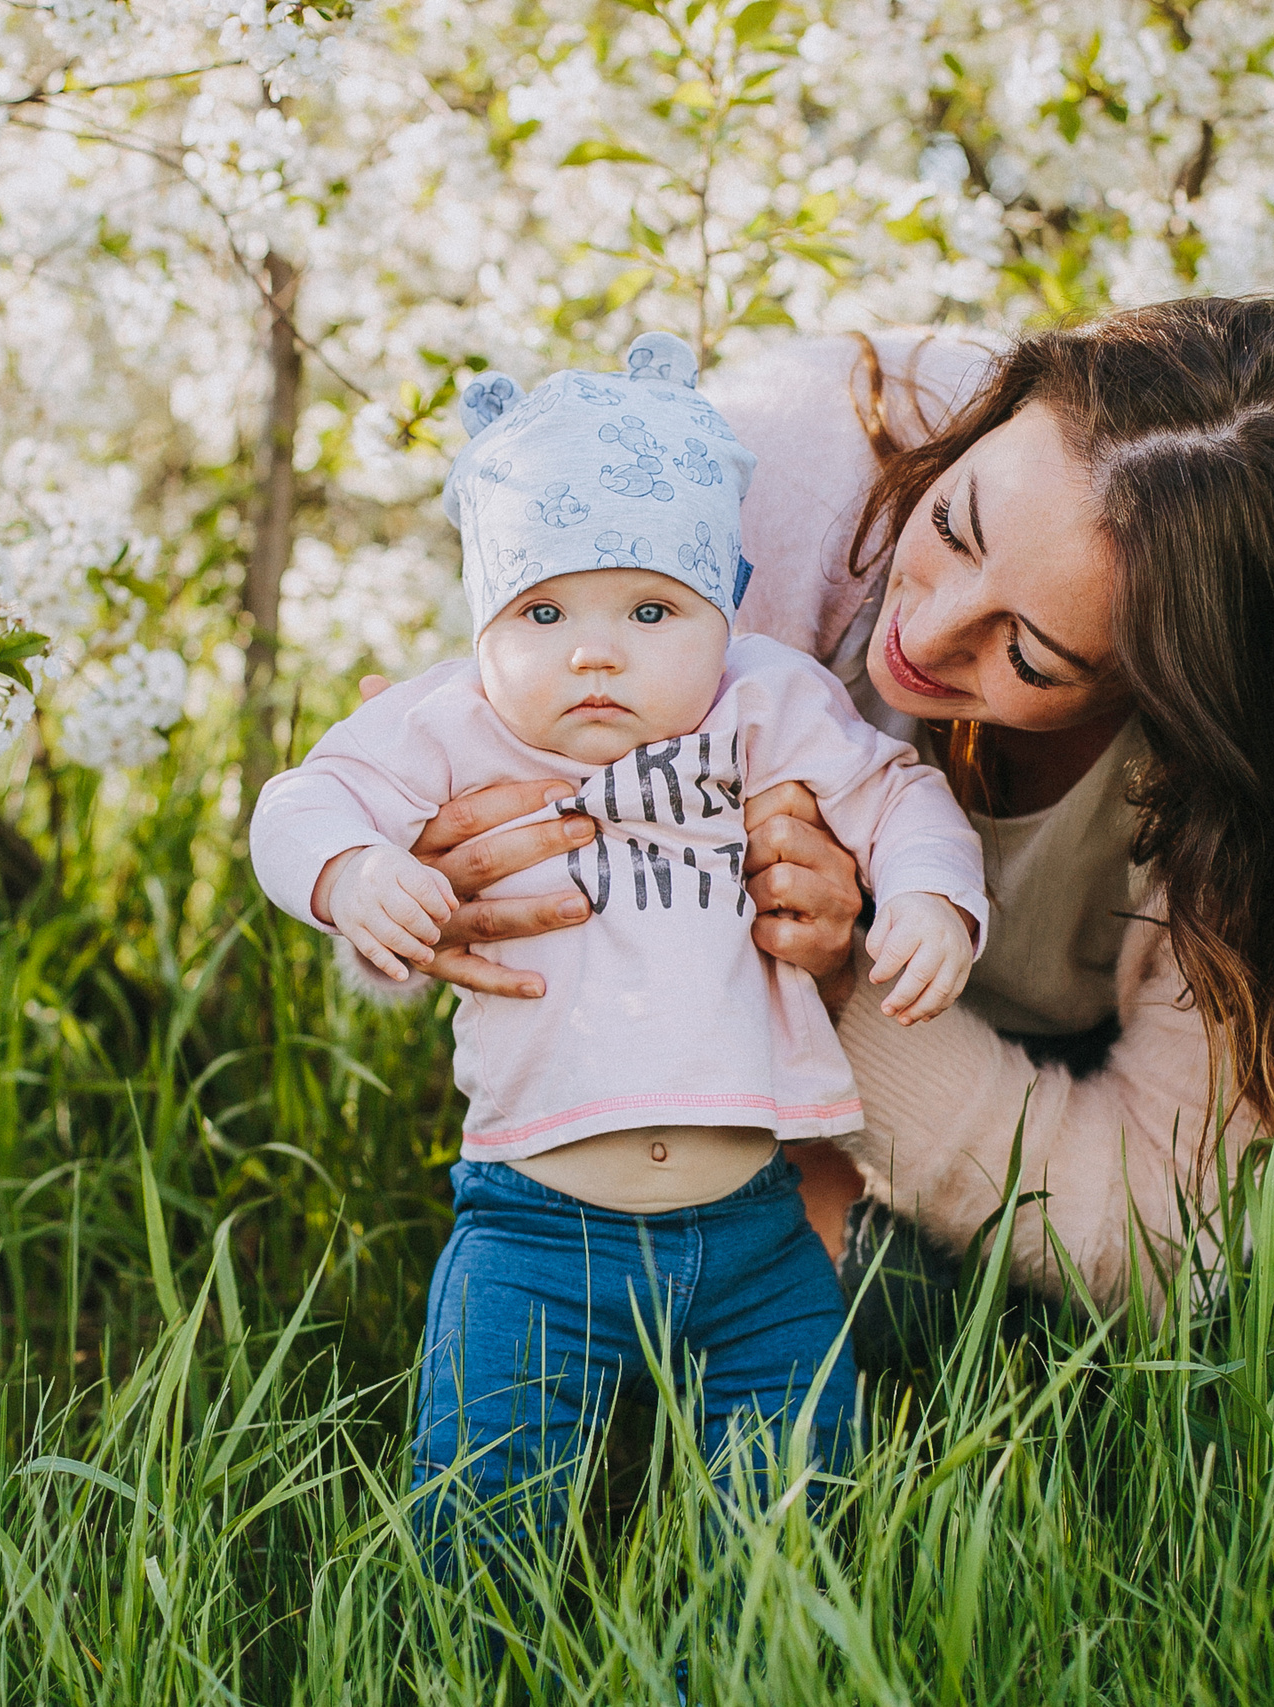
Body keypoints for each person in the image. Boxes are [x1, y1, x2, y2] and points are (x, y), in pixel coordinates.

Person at [356, 296, 1274, 1332]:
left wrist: (845, 982)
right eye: (955, 525)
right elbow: (454, 813)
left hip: (974, 1041)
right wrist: (435, 881)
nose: (927, 636)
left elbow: (1156, 1230)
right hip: (743, 1066)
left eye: (1029, 655)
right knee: (779, 1290)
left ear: (1183, 703)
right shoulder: (776, 479)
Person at [249, 331, 987, 1521]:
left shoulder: (762, 703)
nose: (594, 650)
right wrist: (349, 870)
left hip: (756, 1229)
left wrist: (926, 896)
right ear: (484, 626)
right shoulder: (454, 723)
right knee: (485, 1505)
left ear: (723, 613)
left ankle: (759, 1655)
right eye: (540, 612)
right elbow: (299, 802)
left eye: (651, 608)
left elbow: (898, 795)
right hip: (532, 1231)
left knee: (794, 1498)